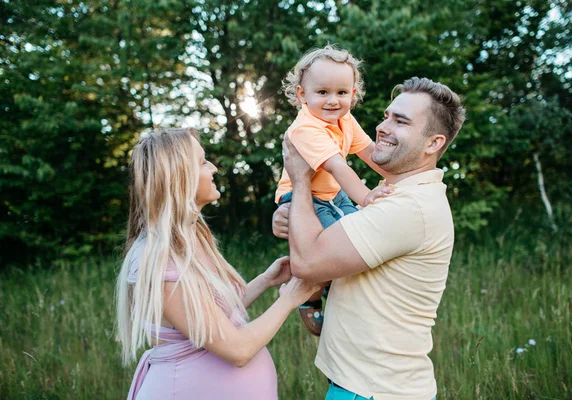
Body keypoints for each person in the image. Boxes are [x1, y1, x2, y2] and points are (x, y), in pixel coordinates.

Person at [273, 77, 466, 400]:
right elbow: (321, 243)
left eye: (400, 121)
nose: (382, 126)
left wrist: (300, 181)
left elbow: (307, 262)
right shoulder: (394, 197)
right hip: (368, 385)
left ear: (433, 144)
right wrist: (292, 215)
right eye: (387, 115)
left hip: (375, 391)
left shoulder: (408, 207)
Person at [116, 128, 319, 400]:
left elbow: (211, 320)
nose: (212, 168)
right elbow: (237, 350)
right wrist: (289, 299)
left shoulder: (194, 235)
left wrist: (265, 280)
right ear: (179, 177)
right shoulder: (159, 261)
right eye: (202, 162)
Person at [276, 45, 390, 336]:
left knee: (359, 233)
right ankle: (308, 295)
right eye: (322, 92)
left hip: (332, 193)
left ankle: (344, 300)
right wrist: (366, 196)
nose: (332, 101)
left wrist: (399, 177)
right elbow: (339, 167)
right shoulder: (306, 128)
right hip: (303, 196)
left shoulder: (345, 120)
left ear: (353, 94)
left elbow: (370, 152)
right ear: (302, 95)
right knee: (333, 249)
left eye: (341, 93)